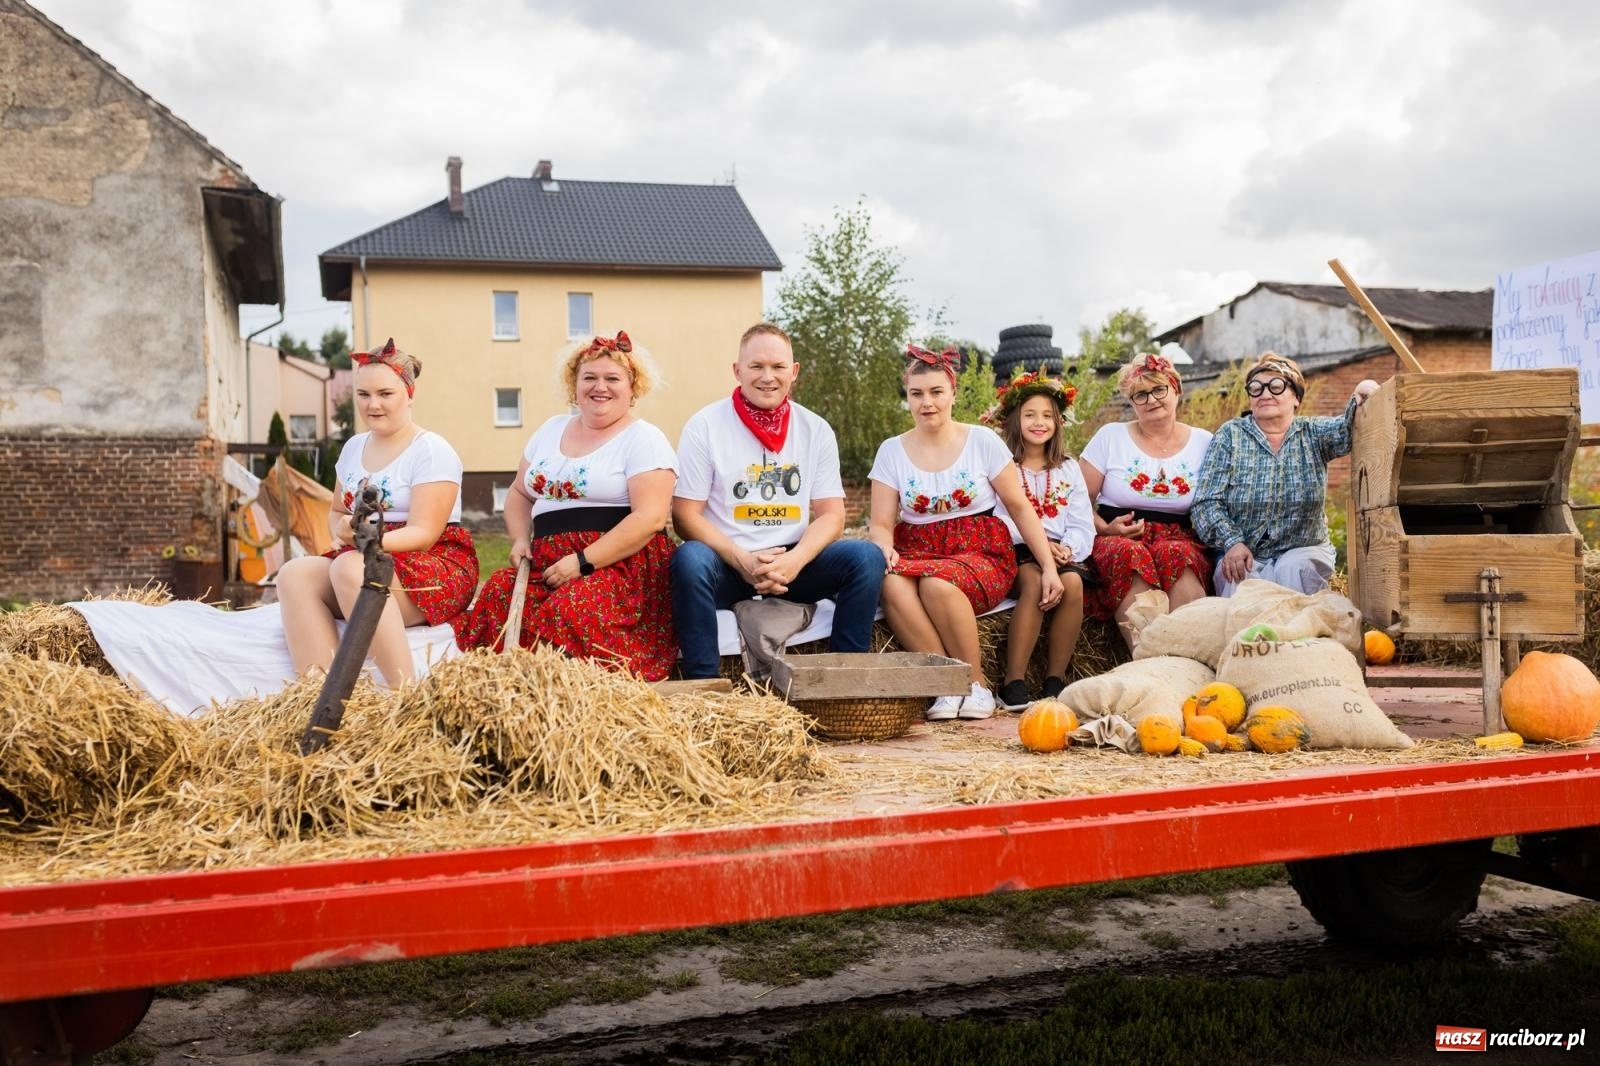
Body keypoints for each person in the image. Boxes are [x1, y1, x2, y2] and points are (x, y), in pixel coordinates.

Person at [457, 332, 678, 679]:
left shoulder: (644, 438)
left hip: (616, 566)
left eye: (612, 378)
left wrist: (582, 562)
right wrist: (518, 539)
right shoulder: (550, 429)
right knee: (499, 594)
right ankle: (507, 700)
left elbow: (649, 518)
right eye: (589, 377)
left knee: (573, 609)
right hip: (547, 564)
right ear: (573, 385)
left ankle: (567, 705)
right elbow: (518, 493)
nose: (599, 386)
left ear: (633, 386)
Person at [670, 323, 886, 679]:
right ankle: (702, 684)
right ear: (737, 371)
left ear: (794, 372)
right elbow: (684, 516)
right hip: (729, 562)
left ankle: (846, 678)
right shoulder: (704, 425)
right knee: (688, 558)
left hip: (793, 564)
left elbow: (832, 515)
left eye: (777, 367)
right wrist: (741, 560)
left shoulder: (815, 429)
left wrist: (796, 560)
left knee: (865, 557)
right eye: (756, 367)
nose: (767, 377)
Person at [868, 345, 1063, 721]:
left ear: (953, 393)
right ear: (907, 397)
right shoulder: (891, 451)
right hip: (918, 546)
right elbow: (880, 523)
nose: (927, 402)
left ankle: (976, 684)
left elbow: (1021, 507)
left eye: (936, 392)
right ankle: (944, 684)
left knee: (936, 583)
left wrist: (1048, 567)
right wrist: (884, 548)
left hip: (978, 548)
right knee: (891, 584)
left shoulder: (981, 441)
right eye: (917, 394)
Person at [278, 339, 478, 685]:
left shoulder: (431, 449)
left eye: (385, 394)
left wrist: (364, 540)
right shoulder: (354, 447)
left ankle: (405, 692)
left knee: (350, 566)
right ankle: (319, 692)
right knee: (294, 574)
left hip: (430, 561)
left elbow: (424, 532)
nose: (373, 405)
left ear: (409, 394)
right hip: (362, 554)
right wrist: (340, 530)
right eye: (363, 394)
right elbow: (338, 509)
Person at [1192, 352, 1379, 596]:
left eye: (1276, 386)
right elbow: (1206, 503)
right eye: (1256, 388)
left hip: (1302, 549)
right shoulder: (1231, 435)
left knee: (1295, 569)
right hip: (1243, 550)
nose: (1266, 394)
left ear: (1296, 397)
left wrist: (1365, 389)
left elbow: (1350, 426)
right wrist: (1232, 542)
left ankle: (1296, 635)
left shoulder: (1313, 433)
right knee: (1242, 583)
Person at [1079, 352, 1213, 649]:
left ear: (1176, 389)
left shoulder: (1205, 442)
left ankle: (1192, 654)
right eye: (1140, 395)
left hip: (1180, 535)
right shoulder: (1110, 437)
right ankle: (1148, 656)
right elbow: (1075, 498)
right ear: (1131, 402)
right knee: (1128, 554)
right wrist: (1104, 528)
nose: (1151, 400)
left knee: (1177, 554)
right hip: (1119, 535)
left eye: (1158, 390)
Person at [986, 370, 1094, 710]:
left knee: (1074, 583)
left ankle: (1055, 681)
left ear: (1059, 422)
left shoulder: (1067, 468)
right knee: (1033, 582)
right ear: (1015, 419)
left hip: (1061, 551)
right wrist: (1038, 545)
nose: (1039, 422)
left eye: (1048, 415)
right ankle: (1013, 682)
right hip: (1015, 550)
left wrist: (1068, 548)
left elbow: (1082, 521)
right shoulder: (1003, 466)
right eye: (1030, 414)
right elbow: (999, 518)